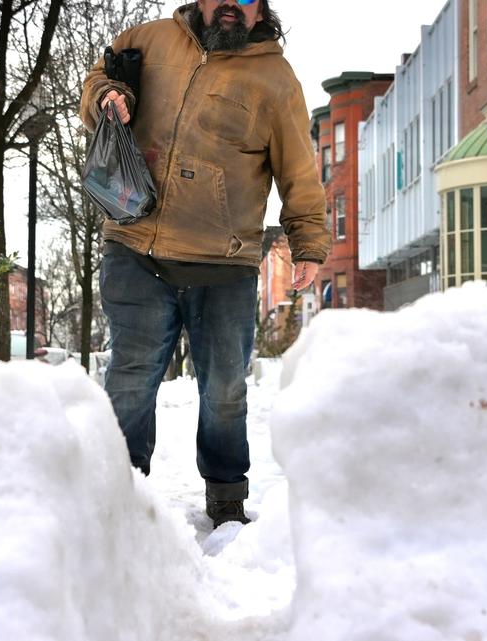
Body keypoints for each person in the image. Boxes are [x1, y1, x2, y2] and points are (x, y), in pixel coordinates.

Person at [80, 0, 329, 528]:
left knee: (224, 389)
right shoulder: (149, 39)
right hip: (135, 244)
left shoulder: (275, 79)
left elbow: (299, 171)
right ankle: (121, 494)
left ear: (260, 7)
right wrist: (107, 96)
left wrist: (307, 244)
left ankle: (225, 496)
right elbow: (98, 76)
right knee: (130, 377)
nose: (231, 6)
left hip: (224, 260)